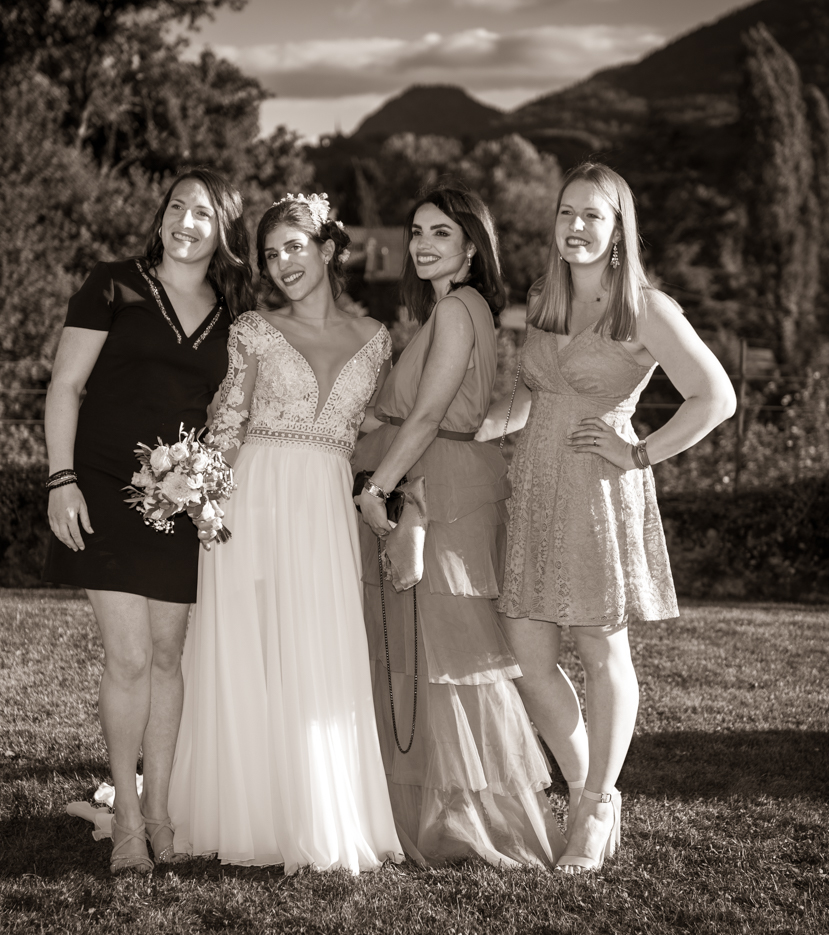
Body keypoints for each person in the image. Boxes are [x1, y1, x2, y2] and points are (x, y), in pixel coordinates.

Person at [486, 162, 736, 872]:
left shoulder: (646, 309)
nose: (576, 226)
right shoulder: (543, 297)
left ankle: (595, 805)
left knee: (601, 651)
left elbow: (716, 398)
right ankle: (588, 788)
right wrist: (462, 430)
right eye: (567, 212)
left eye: (593, 215)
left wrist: (639, 452)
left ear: (619, 228)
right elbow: (530, 396)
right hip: (533, 487)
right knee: (528, 660)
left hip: (598, 489)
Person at [169, 194, 403, 874]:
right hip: (254, 498)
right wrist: (203, 497)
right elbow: (227, 422)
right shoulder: (254, 329)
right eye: (271, 255)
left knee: (319, 649)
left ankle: (321, 812)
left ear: (327, 249)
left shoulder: (376, 338)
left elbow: (378, 426)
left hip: (324, 508)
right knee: (251, 649)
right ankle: (248, 815)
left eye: (294, 247)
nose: (282, 264)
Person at [41, 168, 253, 874]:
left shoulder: (235, 311)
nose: (185, 222)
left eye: (203, 214)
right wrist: (61, 479)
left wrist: (206, 484)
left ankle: (161, 812)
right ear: (161, 216)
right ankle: (128, 821)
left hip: (180, 502)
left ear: (224, 231)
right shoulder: (113, 284)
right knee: (129, 658)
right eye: (176, 207)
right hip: (104, 488)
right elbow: (66, 386)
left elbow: (233, 410)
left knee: (168, 657)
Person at [351, 185, 563, 869]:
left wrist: (380, 490)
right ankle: (433, 813)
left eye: (441, 232)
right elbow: (464, 415)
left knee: (447, 659)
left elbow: (428, 416)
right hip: (440, 480)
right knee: (428, 658)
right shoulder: (461, 308)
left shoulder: (454, 309)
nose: (422, 244)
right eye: (416, 231)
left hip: (433, 490)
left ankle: (474, 824)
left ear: (473, 245)